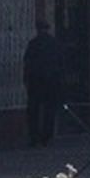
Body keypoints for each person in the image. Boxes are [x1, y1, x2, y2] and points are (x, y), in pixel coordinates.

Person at [22, 18, 64, 147]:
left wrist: (26, 79)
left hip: (35, 81)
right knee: (49, 109)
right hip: (51, 81)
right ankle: (46, 136)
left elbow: (27, 63)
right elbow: (61, 63)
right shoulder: (54, 44)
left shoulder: (33, 44)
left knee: (33, 110)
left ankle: (34, 137)